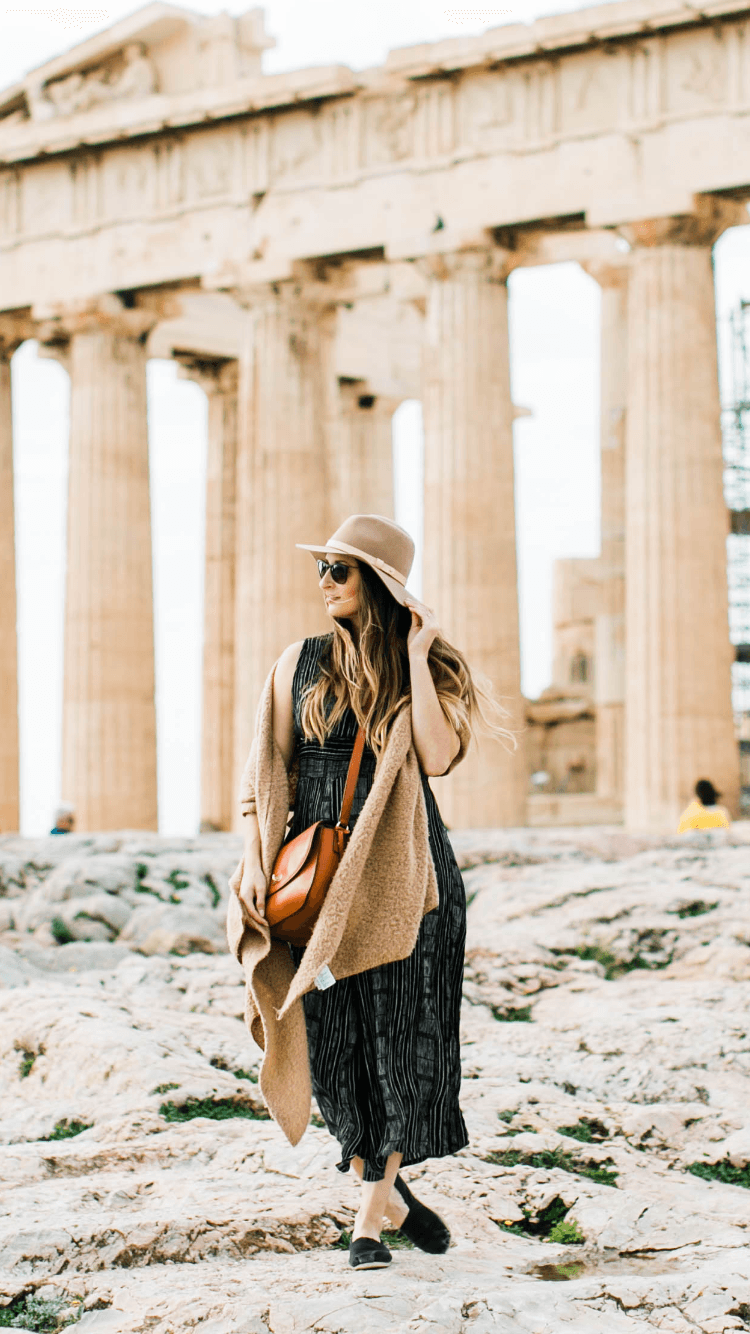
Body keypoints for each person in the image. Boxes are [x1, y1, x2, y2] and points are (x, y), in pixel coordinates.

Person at [229, 514, 515, 1272]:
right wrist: (255, 863)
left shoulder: (414, 667)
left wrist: (418, 656)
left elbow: (438, 755)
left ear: (378, 585)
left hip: (404, 883)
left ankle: (367, 1221)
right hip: (316, 883)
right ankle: (391, 1189)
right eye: (321, 566)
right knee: (327, 1039)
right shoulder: (299, 662)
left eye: (340, 569)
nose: (324, 580)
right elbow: (268, 772)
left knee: (396, 1039)